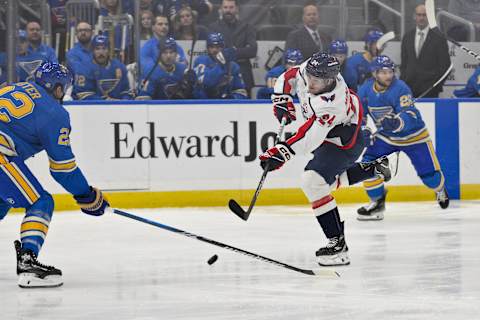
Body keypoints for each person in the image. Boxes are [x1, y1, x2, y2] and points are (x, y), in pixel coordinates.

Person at [259, 52, 395, 266]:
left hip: (344, 139)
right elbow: (290, 76)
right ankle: (373, 170)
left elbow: (310, 137)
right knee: (324, 184)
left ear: (330, 80)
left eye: (318, 81)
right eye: (311, 77)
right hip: (329, 134)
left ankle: (338, 247)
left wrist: (282, 152)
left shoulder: (332, 103)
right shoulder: (312, 69)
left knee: (313, 182)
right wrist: (281, 98)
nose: (311, 83)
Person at [0, 62, 109, 288]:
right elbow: (63, 169)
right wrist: (86, 195)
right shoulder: (54, 112)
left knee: (2, 200)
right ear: (58, 89)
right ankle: (28, 261)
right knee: (41, 202)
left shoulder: (13, 87)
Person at [357, 55, 449, 220]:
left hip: (414, 137)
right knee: (366, 165)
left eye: (390, 71)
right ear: (374, 73)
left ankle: (440, 190)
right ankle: (377, 204)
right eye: (384, 72)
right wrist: (363, 130)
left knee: (430, 178)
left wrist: (397, 122)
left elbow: (410, 113)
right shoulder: (364, 90)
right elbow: (361, 115)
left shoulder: (400, 88)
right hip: (386, 138)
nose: (389, 76)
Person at [400, 4, 451, 98]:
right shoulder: (407, 37)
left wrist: (436, 86)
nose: (421, 18)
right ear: (414, 16)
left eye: (424, 15)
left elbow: (445, 66)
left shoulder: (439, 37)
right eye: (419, 15)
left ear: (429, 17)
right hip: (409, 88)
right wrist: (404, 82)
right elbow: (404, 64)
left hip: (430, 90)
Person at [208, 0, 257, 95]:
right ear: (221, 9)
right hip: (220, 72)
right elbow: (212, 51)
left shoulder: (247, 27)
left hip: (244, 73)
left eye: (231, 7)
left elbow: (252, 50)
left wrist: (231, 52)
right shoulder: (213, 27)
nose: (228, 10)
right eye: (225, 7)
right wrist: (240, 51)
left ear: (237, 9)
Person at [73, 35, 133, 100]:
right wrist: (105, 102)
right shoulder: (84, 68)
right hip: (91, 108)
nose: (101, 52)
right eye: (97, 49)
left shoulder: (120, 67)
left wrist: (124, 101)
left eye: (104, 48)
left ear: (109, 50)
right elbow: (83, 95)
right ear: (92, 51)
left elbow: (126, 91)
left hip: (117, 108)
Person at [193, 32, 247, 99]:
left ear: (223, 47)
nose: (215, 50)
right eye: (211, 47)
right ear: (207, 48)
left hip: (225, 105)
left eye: (218, 47)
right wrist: (221, 63)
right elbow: (208, 82)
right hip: (204, 103)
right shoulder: (201, 61)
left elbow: (241, 92)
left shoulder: (233, 66)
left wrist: (232, 98)